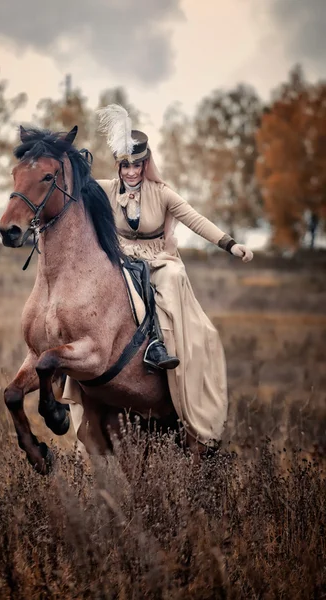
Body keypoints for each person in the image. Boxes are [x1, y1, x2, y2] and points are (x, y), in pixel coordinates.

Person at [95, 104, 253, 447]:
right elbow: (73, 190)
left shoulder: (162, 193)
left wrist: (230, 244)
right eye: (126, 165)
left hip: (159, 257)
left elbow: (196, 219)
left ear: (145, 164)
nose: (132, 171)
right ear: (118, 166)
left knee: (169, 281)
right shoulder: (107, 189)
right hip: (121, 257)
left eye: (138, 164)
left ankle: (159, 347)